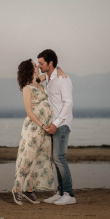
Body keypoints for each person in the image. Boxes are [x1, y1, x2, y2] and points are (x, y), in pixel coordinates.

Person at [12, 58, 66, 205]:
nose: (37, 67)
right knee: (27, 159)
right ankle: (17, 190)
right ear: (29, 70)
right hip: (33, 129)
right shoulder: (27, 88)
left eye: (37, 65)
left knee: (38, 159)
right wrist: (42, 125)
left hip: (45, 130)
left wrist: (59, 70)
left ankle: (28, 190)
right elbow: (29, 112)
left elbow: (50, 73)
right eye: (35, 66)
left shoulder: (39, 81)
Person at [37, 49, 76, 205]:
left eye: (41, 63)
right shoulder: (49, 77)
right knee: (55, 158)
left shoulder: (62, 79)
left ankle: (69, 194)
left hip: (62, 124)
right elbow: (35, 78)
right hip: (53, 124)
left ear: (50, 63)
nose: (39, 66)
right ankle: (60, 192)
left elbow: (68, 104)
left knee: (59, 158)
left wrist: (56, 123)